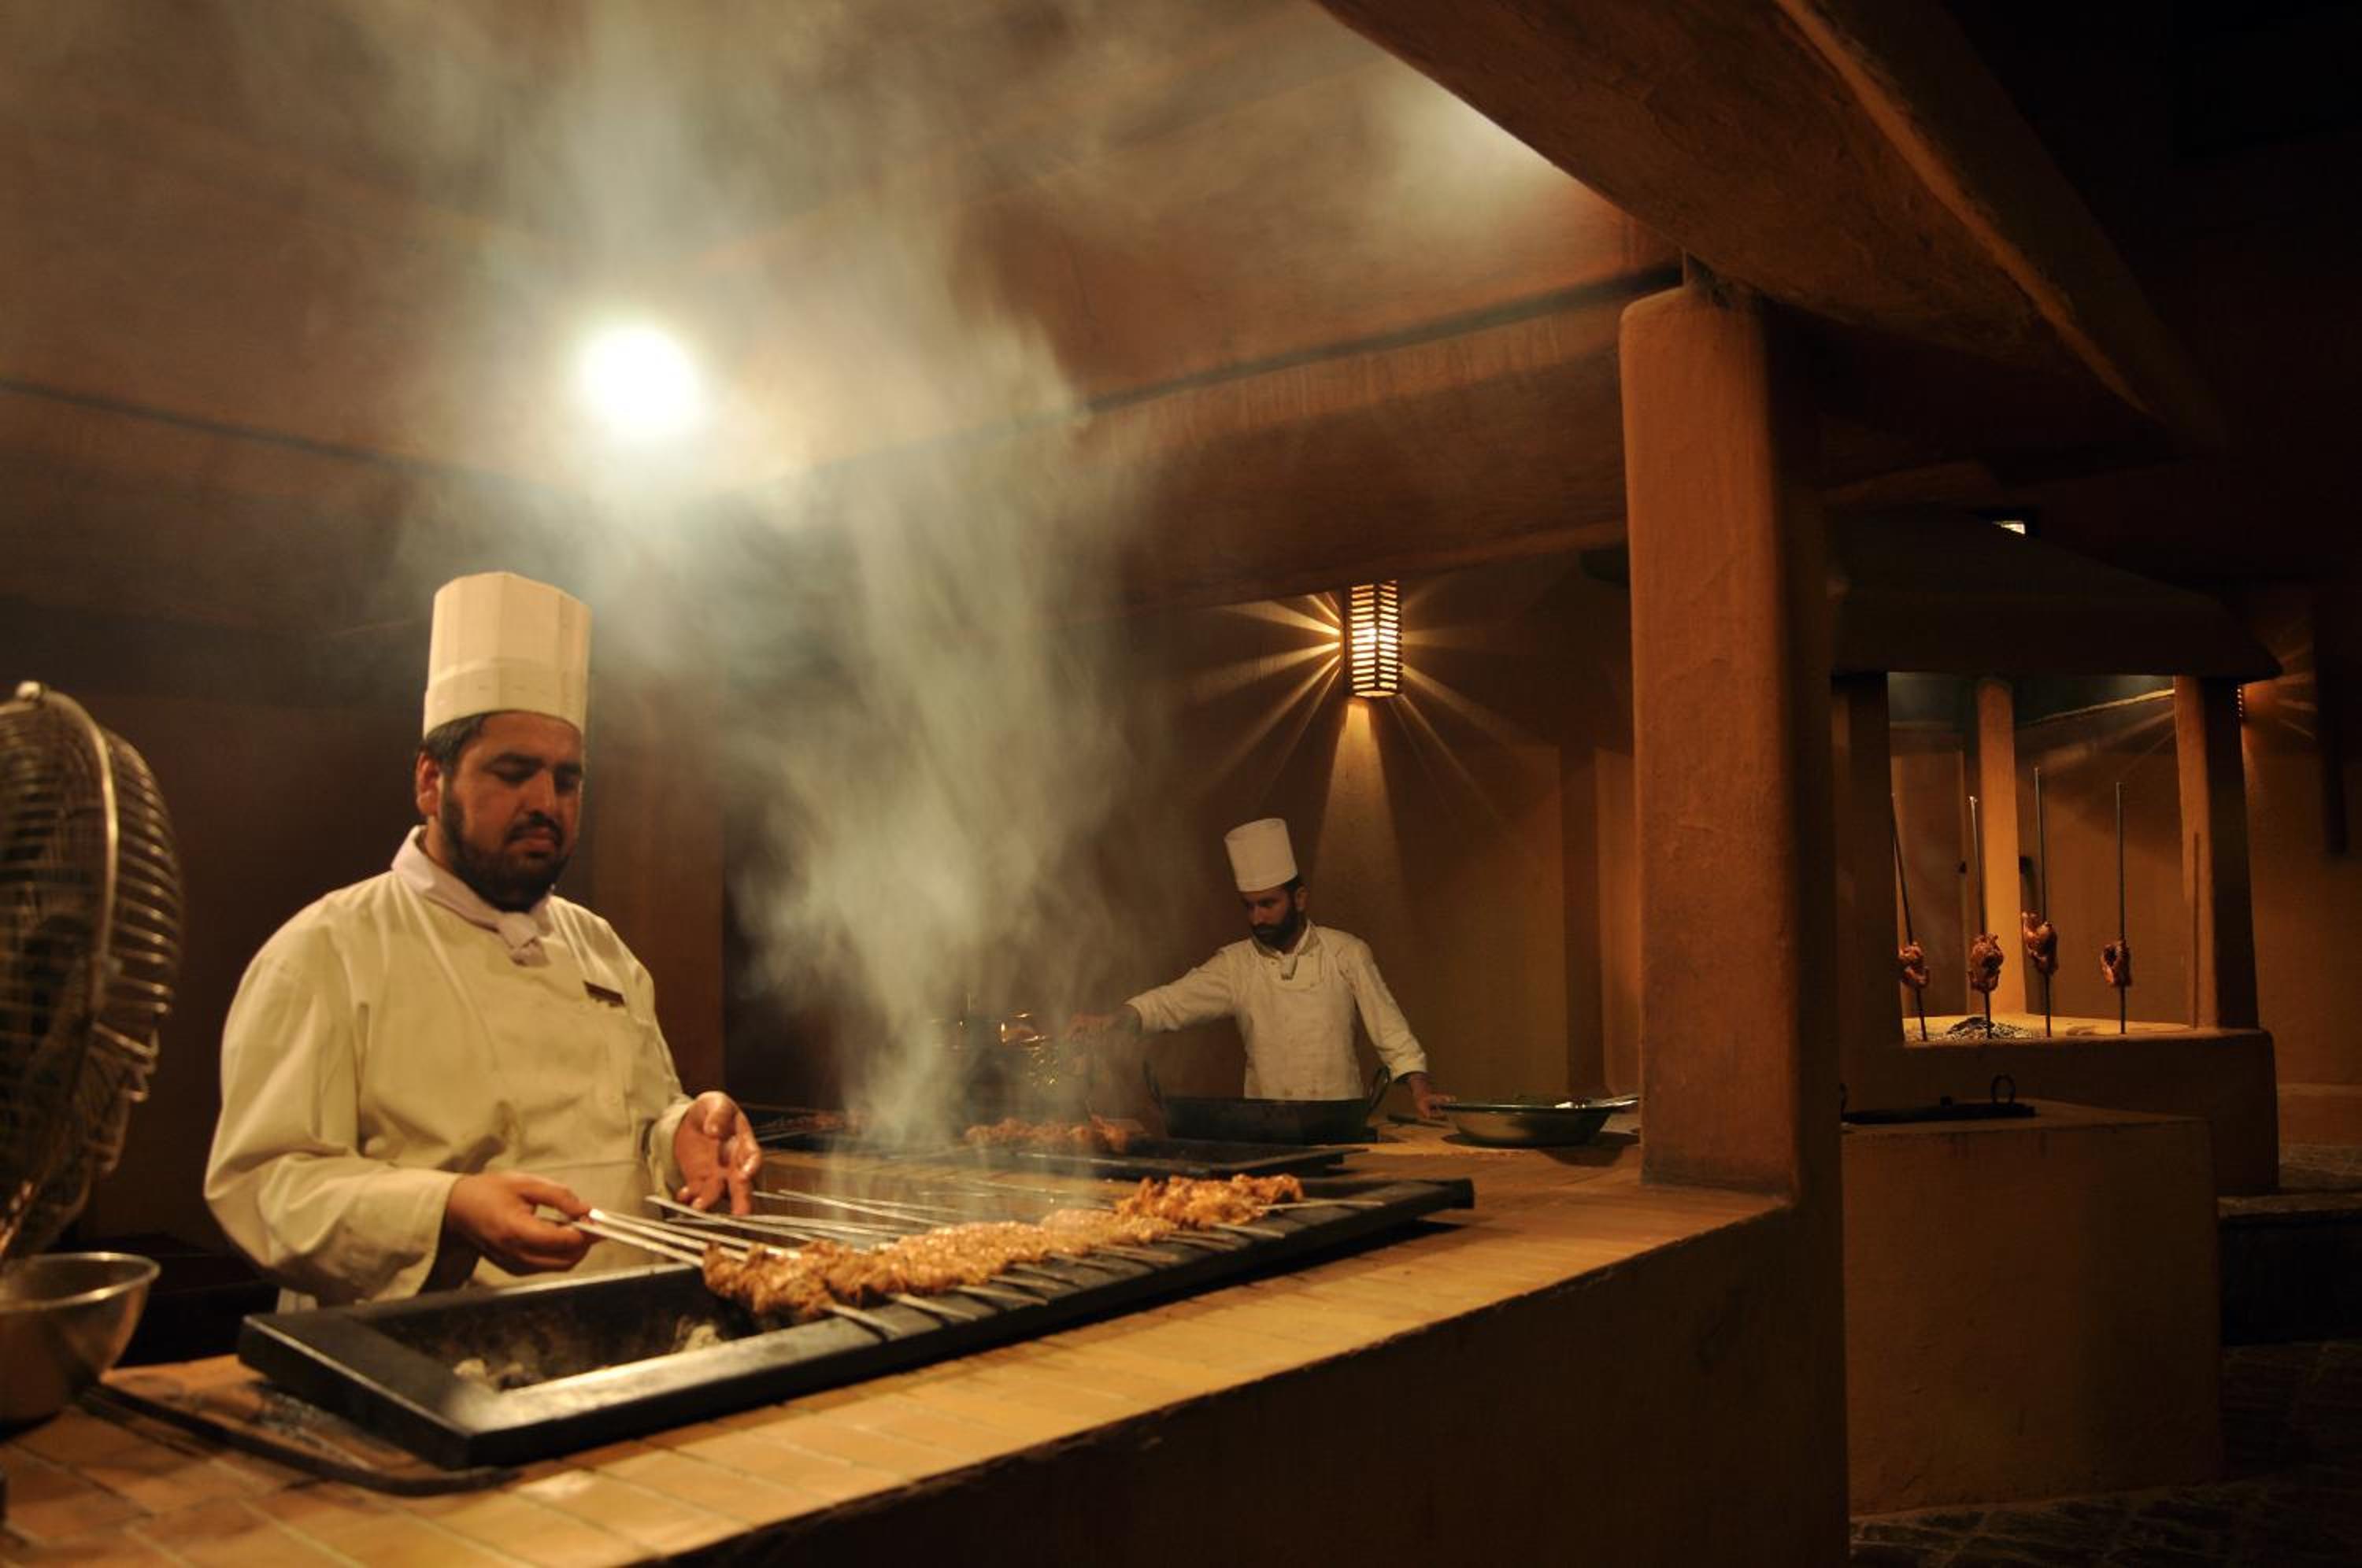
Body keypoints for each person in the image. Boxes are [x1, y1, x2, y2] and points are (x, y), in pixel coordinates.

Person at [205, 571, 760, 1307]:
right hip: (416, 1353)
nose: (545, 802)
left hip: (627, 1340)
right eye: (513, 772)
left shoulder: (601, 948)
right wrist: (446, 1208)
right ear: (430, 781)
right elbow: (265, 1187)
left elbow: (639, 1126)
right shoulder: (324, 953)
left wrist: (682, 1130)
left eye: (567, 779)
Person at [1068, 817, 1446, 1118]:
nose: (1257, 917)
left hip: (1338, 1124)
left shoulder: (1346, 952)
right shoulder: (1237, 964)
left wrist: (1421, 1090)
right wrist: (1111, 1021)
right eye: (1249, 906)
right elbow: (1170, 1003)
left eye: (1268, 904)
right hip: (1266, 1129)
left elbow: (1389, 1026)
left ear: (1299, 899)